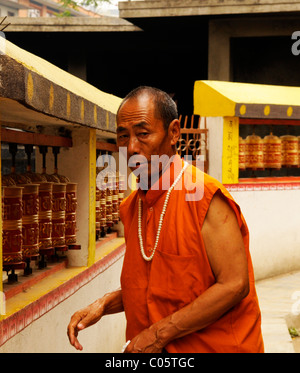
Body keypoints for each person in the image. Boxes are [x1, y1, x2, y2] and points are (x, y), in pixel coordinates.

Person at [67, 86, 264, 353]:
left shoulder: (205, 197)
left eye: (143, 134)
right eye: (123, 136)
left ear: (173, 133)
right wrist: (103, 304)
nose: (131, 147)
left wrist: (157, 335)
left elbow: (234, 285)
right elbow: (158, 288)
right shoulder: (132, 207)